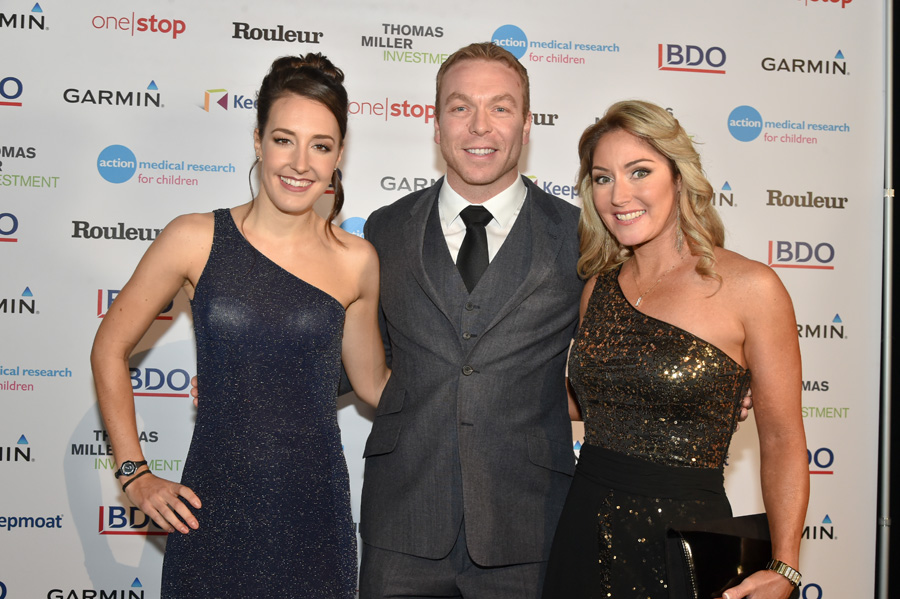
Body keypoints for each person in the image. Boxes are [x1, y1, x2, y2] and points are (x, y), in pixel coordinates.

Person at [90, 53, 389, 599]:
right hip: (212, 510)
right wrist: (134, 474)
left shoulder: (356, 260)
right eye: (284, 140)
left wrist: (476, 391)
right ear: (257, 141)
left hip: (314, 519)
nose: (300, 163)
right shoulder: (194, 238)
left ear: (339, 155)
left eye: (320, 146)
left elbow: (373, 384)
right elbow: (109, 347)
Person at [541, 100, 809, 599]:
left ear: (679, 178)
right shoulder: (597, 287)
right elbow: (590, 402)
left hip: (683, 543)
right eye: (602, 178)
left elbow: (782, 439)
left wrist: (786, 565)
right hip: (582, 530)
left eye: (639, 171)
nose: (619, 194)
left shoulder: (751, 288)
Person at [357, 42, 584, 598]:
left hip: (529, 528)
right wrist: (254, 376)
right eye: (461, 107)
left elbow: (620, 354)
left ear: (526, 125)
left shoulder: (580, 235)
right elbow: (353, 353)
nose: (480, 126)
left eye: (500, 107)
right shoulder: (385, 229)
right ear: (436, 126)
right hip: (402, 521)